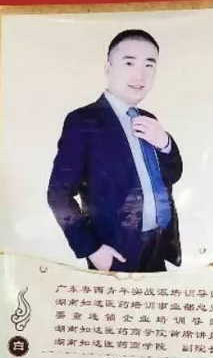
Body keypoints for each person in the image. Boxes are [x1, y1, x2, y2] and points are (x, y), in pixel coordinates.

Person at [47, 29, 183, 273]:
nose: (139, 75)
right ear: (108, 67)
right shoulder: (83, 121)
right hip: (114, 252)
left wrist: (165, 144)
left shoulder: (149, 119)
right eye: (129, 63)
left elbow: (172, 175)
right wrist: (91, 249)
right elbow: (58, 195)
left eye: (149, 65)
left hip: (158, 246)